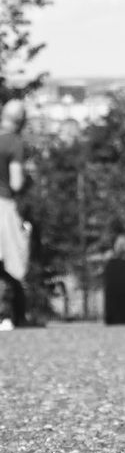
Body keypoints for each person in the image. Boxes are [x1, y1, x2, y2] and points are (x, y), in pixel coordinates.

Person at [0, 100, 29, 330]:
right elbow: (16, 183)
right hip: (4, 204)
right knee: (12, 262)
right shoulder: (14, 143)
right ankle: (9, 315)